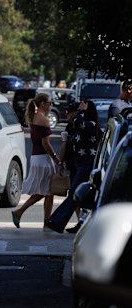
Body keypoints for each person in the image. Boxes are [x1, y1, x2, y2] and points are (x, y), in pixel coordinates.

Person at [45, 100, 100, 234]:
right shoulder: (77, 126)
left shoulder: (90, 124)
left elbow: (79, 123)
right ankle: (74, 223)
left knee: (75, 193)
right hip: (79, 163)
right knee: (78, 196)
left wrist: (82, 111)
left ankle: (57, 222)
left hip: (87, 163)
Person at [11, 93, 61, 230]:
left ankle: (46, 222)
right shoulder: (43, 120)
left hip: (37, 157)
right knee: (45, 191)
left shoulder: (35, 117)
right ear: (43, 104)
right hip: (43, 159)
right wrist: (56, 158)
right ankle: (20, 212)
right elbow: (46, 143)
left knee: (48, 192)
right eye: (50, 103)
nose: (51, 105)